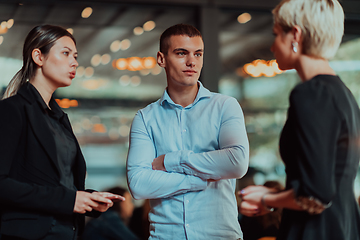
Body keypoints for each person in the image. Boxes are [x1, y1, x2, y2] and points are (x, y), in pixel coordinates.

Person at [239, 0, 360, 239]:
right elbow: (322, 187)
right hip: (343, 227)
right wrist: (274, 200)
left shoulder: (310, 93)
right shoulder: (343, 94)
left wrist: (266, 198)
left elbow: (315, 195)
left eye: (276, 35)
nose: (272, 47)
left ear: (295, 34)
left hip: (314, 232)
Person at [126, 23, 249, 240]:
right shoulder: (145, 118)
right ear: (161, 59)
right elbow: (138, 184)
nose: (192, 61)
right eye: (181, 53)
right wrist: (198, 179)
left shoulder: (225, 106)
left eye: (198, 54)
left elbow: (237, 162)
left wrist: (169, 162)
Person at [0, 25, 124, 240]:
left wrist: (89, 199)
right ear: (38, 56)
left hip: (68, 233)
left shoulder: (59, 119)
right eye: (65, 53)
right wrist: (69, 200)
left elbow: (61, 184)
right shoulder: (12, 110)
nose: (74, 62)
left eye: (75, 56)